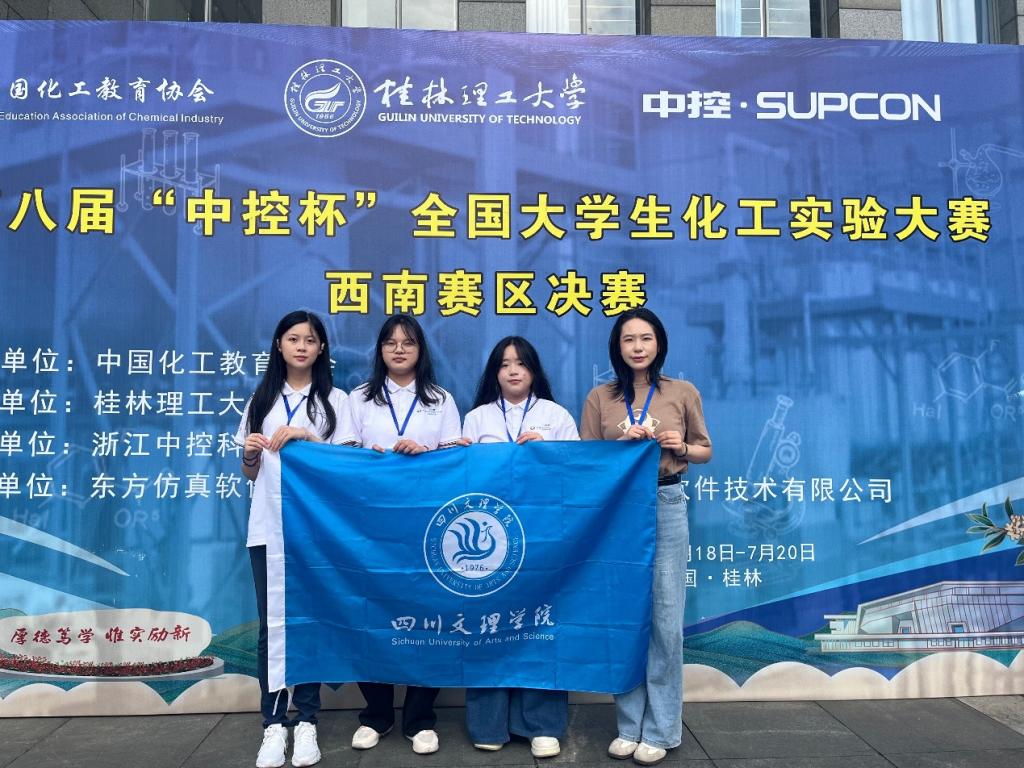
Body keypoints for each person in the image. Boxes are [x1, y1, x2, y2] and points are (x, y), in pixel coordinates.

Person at [580, 307, 711, 767]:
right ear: (616, 347)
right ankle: (629, 724)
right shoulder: (600, 397)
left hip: (665, 500)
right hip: (618, 511)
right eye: (628, 339)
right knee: (624, 618)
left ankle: (661, 728)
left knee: (666, 621)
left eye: (646, 338)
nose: (637, 347)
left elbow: (705, 450)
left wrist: (681, 446)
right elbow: (586, 461)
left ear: (660, 343)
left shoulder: (682, 391)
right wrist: (618, 449)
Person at [338, 314, 462, 755]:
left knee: (429, 616)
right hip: (368, 525)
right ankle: (376, 714)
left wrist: (425, 452)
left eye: (408, 342)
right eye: (390, 342)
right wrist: (370, 454)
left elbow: (456, 458)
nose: (398, 349)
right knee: (368, 614)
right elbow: (342, 454)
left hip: (427, 525)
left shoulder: (440, 399)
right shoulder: (358, 398)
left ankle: (420, 718)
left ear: (420, 350)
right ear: (380, 350)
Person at [236, 310, 348, 768]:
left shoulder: (335, 400)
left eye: (310, 340)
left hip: (317, 532)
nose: (302, 347)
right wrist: (249, 454)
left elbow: (348, 466)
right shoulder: (261, 399)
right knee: (272, 628)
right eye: (293, 338)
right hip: (268, 528)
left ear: (322, 349)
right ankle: (273, 723)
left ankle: (307, 721)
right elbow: (251, 473)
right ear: (279, 345)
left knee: (310, 622)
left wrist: (307, 436)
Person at [460, 336, 578, 758]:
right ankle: (487, 723)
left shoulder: (556, 415)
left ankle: (542, 724)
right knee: (487, 624)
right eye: (505, 363)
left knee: (540, 624)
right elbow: (461, 479)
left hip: (543, 534)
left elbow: (577, 475)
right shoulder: (476, 418)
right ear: (495, 372)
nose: (513, 370)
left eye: (521, 363)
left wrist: (547, 453)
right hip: (489, 538)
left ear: (534, 371)